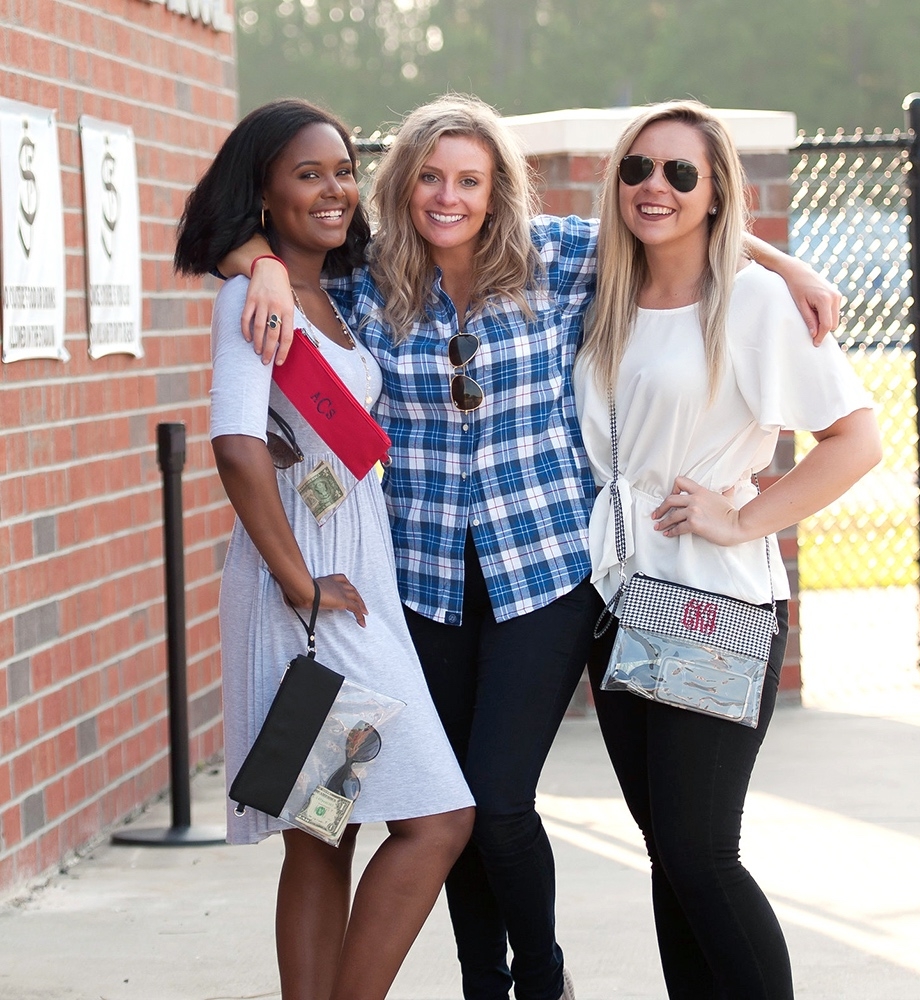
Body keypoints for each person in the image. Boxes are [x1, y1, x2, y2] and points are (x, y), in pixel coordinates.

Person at [218, 94, 843, 1000]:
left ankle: (542, 980)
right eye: (429, 176)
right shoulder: (364, 277)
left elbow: (673, 233)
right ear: (401, 186)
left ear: (497, 187)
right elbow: (255, 257)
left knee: (496, 802)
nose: (448, 196)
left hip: (542, 577)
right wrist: (262, 268)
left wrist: (786, 265)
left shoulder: (556, 257)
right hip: (409, 584)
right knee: (379, 814)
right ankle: (484, 981)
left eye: (469, 179)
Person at [574, 99, 882, 999]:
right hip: (620, 596)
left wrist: (745, 520)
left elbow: (856, 441)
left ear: (718, 195)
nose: (654, 187)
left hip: (711, 597)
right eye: (637, 168)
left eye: (681, 172)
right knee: (669, 855)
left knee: (703, 853)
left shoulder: (751, 304)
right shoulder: (605, 292)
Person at [173, 99, 475, 1000]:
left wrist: (261, 263)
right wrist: (301, 585)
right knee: (439, 819)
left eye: (343, 169)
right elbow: (234, 443)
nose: (336, 188)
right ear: (263, 193)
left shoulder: (322, 294)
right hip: (308, 595)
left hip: (353, 577)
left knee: (324, 824)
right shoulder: (250, 299)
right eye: (308, 174)